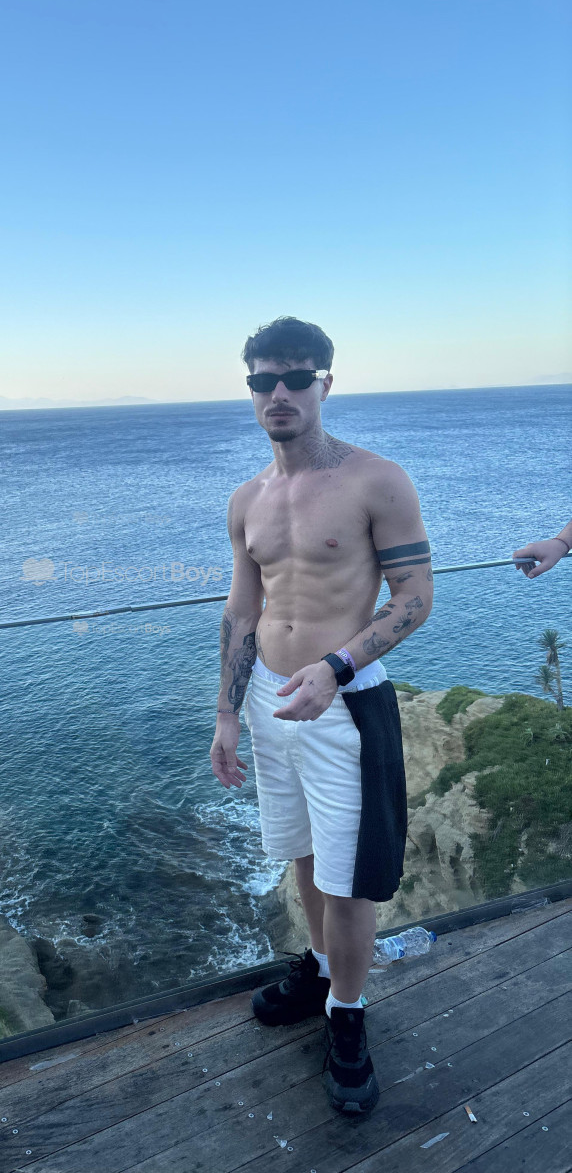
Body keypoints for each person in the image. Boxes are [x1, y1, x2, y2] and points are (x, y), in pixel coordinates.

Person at [210, 316, 433, 1116]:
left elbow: (416, 599)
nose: (279, 393)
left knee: (349, 879)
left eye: (297, 377)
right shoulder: (247, 500)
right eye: (263, 379)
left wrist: (336, 667)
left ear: (325, 385)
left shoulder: (377, 480)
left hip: (344, 705)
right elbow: (243, 610)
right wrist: (226, 714)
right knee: (303, 854)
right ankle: (319, 971)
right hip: (269, 702)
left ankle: (348, 1015)